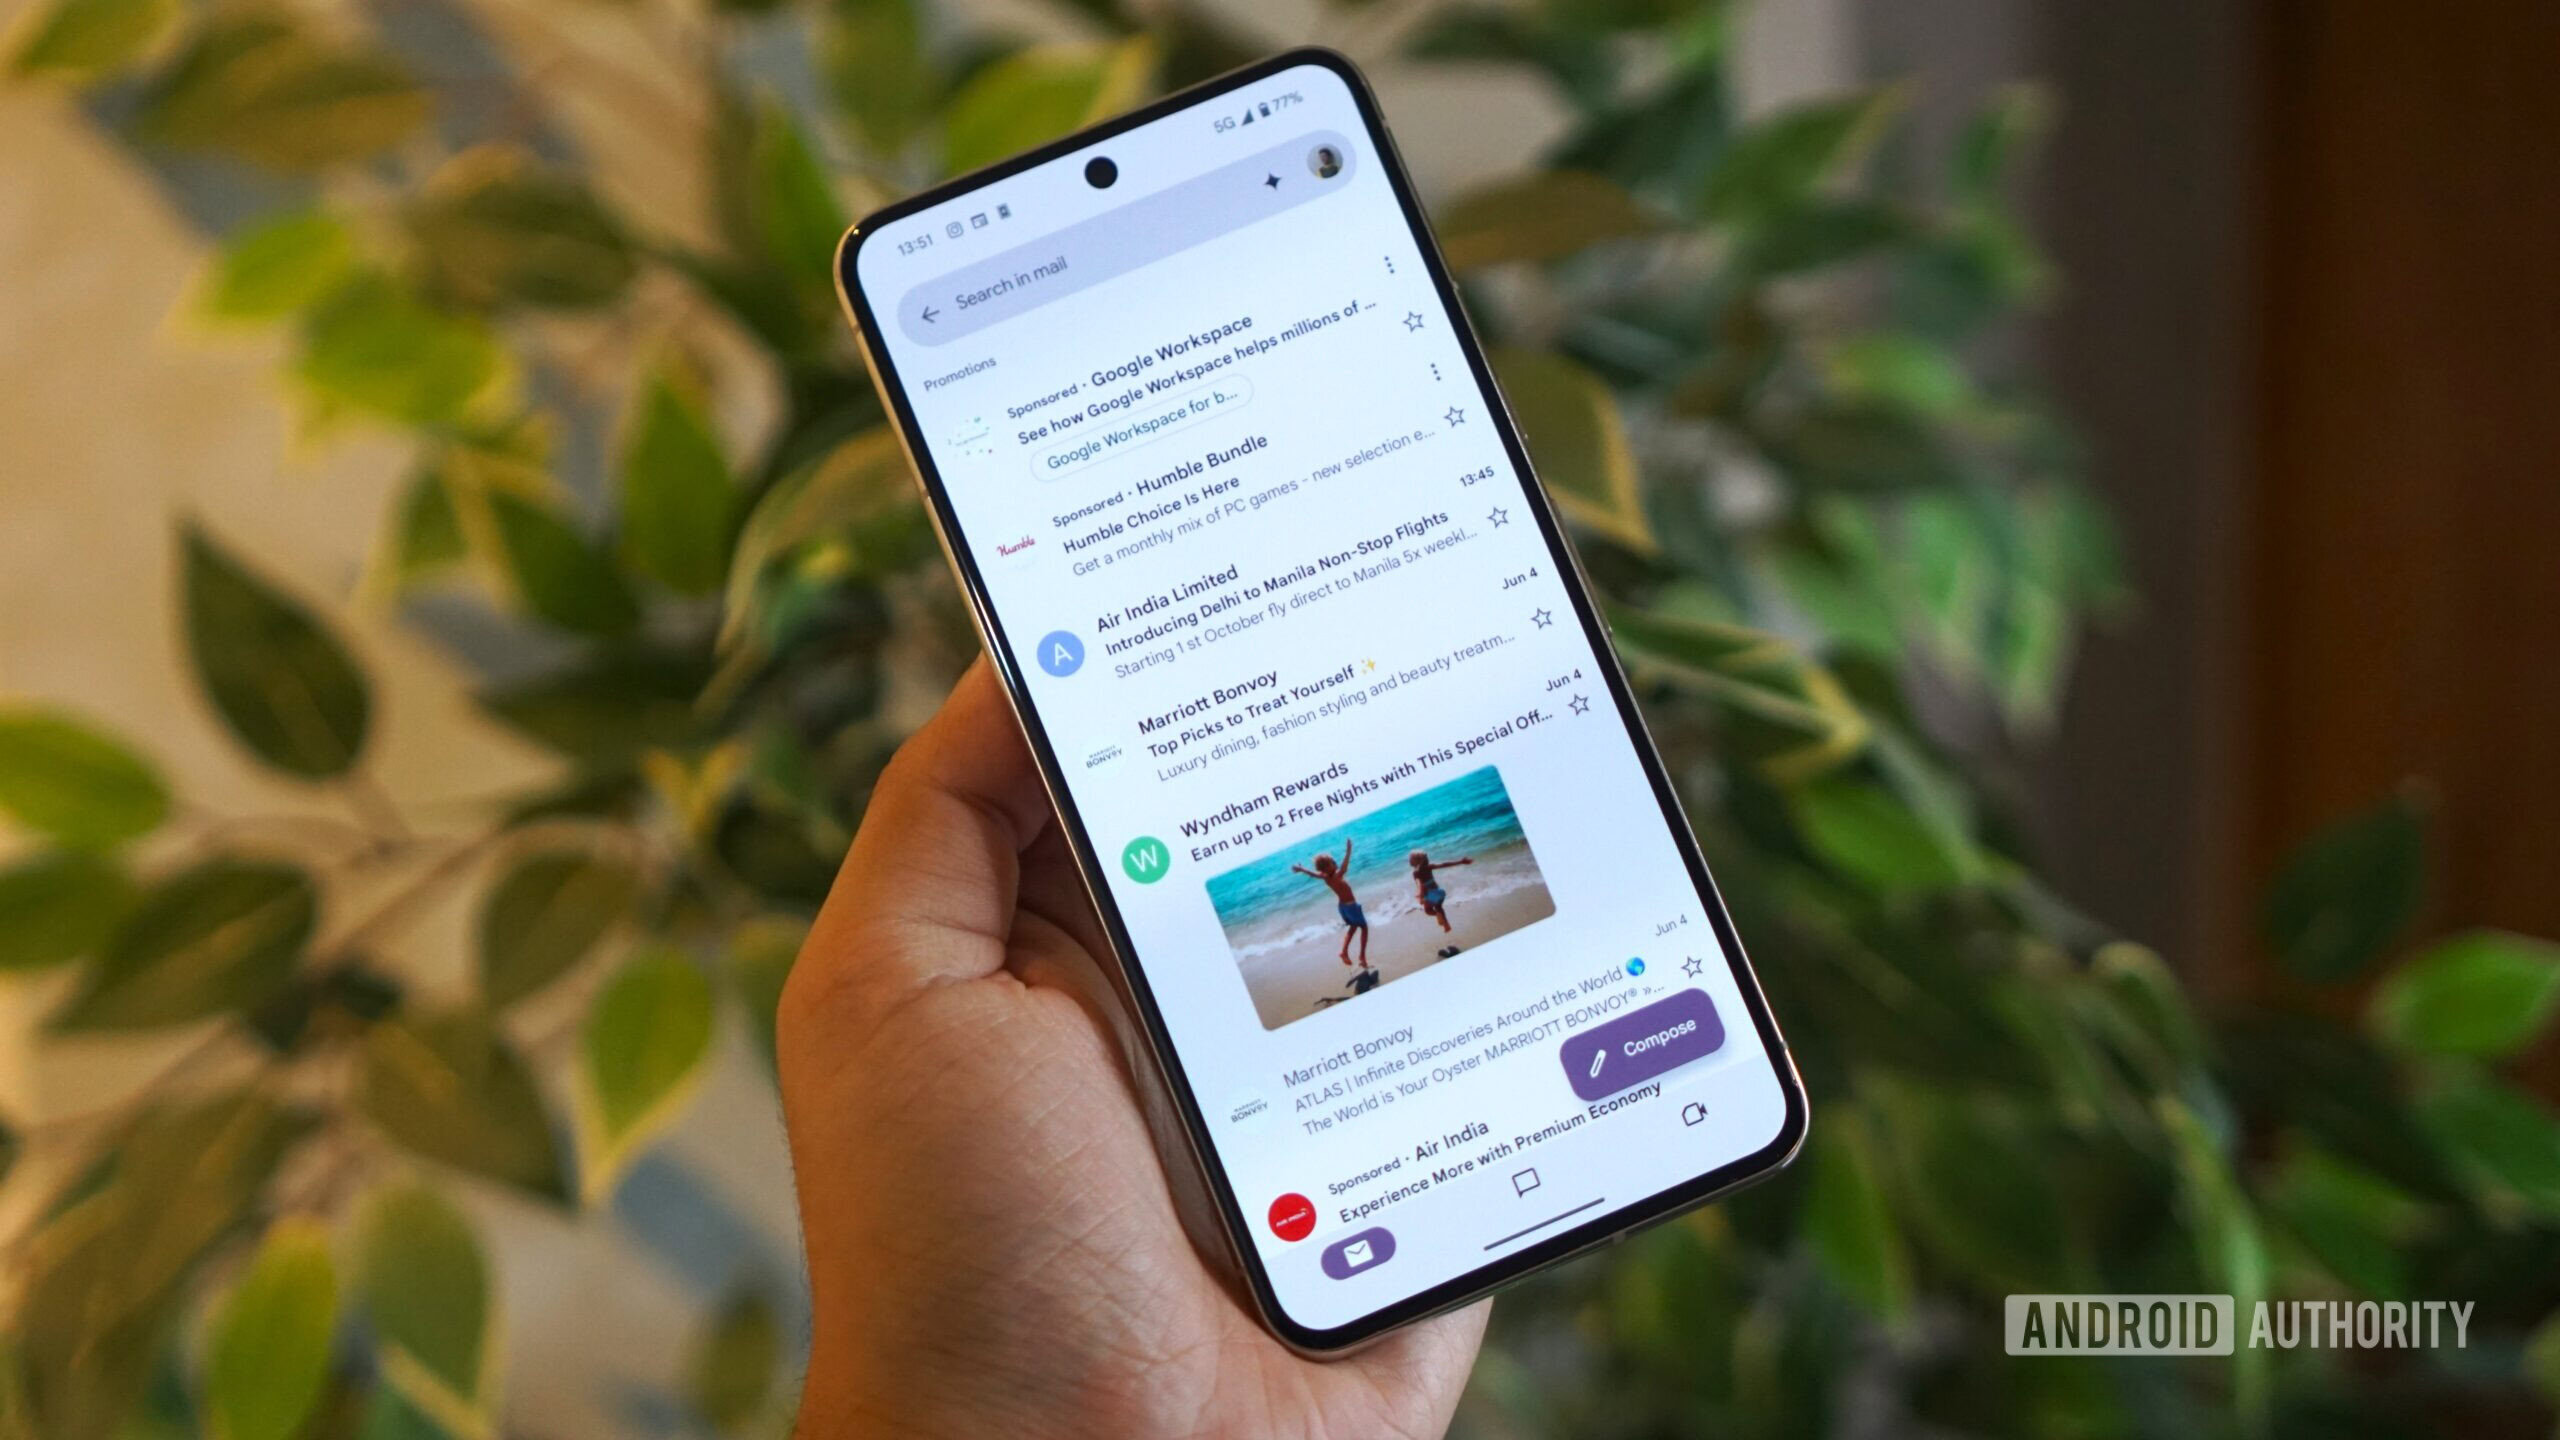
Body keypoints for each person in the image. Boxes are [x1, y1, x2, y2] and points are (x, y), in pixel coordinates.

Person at [778, 661, 1485, 1438]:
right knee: (1361, 943)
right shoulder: (1341, 880)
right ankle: (1367, 962)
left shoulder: (1338, 879)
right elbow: (1337, 870)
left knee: (1360, 943)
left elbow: (1336, 869)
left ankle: (1365, 962)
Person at [1290, 840, 1370, 967]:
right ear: (1327, 867)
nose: (1335, 862)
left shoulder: (1325, 877)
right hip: (1351, 906)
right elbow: (1344, 867)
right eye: (1332, 862)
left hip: (1343, 908)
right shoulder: (1336, 876)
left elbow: (1313, 874)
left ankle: (1344, 952)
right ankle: (1362, 958)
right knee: (1364, 928)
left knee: (1353, 927)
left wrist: (1301, 869)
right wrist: (1348, 850)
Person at [1408, 850, 1473, 933]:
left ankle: (1438, 915)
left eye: (1410, 859)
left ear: (1415, 861)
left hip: (1430, 895)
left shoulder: (1416, 873)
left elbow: (1419, 883)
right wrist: (1461, 862)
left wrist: (1419, 893)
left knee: (1428, 911)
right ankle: (1446, 925)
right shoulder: (1429, 866)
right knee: (1438, 907)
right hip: (1439, 892)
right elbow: (1444, 864)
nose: (1409, 861)